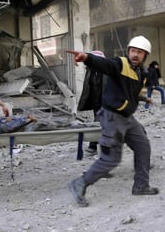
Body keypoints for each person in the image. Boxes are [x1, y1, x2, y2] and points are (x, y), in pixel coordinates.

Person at [67, 35, 159, 207]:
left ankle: (141, 186)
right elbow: (105, 64)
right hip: (112, 117)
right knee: (111, 159)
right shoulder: (120, 64)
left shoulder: (141, 73)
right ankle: (80, 183)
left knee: (143, 145)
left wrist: (141, 98)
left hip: (127, 117)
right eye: (133, 51)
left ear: (145, 55)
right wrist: (86, 57)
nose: (135, 55)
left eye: (139, 52)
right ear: (128, 51)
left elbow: (129, 91)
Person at [77, 50, 105, 155]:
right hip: (96, 102)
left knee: (97, 122)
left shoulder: (107, 72)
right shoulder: (91, 71)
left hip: (106, 102)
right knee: (100, 123)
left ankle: (93, 146)